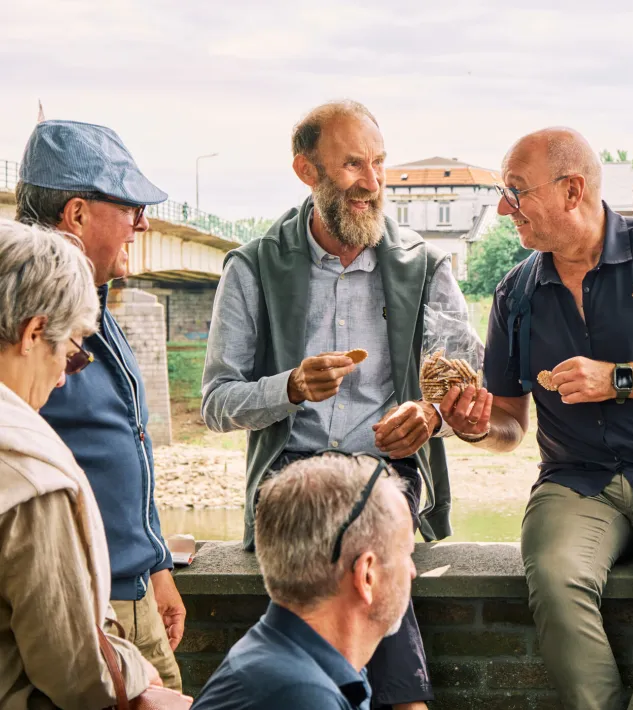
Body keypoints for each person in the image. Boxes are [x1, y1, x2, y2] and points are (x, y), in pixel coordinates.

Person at [439, 127, 633, 710]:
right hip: (575, 480)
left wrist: (618, 378)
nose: (504, 207)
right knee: (556, 577)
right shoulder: (516, 294)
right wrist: (477, 427)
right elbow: (510, 420)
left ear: (571, 190)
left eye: (515, 191)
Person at [201, 100, 475, 709]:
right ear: (307, 171)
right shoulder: (250, 267)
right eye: (353, 165)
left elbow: (464, 384)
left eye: (379, 163)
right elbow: (217, 404)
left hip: (388, 470)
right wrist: (289, 388)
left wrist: (429, 417)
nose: (373, 184)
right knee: (360, 540)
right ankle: (407, 704)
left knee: (362, 530)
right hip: (290, 471)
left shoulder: (427, 266)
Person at [15, 120, 186, 690]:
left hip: (130, 591)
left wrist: (155, 564)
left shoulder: (96, 307)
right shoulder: (25, 319)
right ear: (78, 214)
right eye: (130, 205)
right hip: (83, 608)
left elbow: (125, 442)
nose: (143, 222)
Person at [0, 219, 160, 708]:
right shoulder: (30, 477)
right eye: (72, 355)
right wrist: (141, 669)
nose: (64, 380)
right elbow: (76, 674)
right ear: (34, 333)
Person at [192, 453, 417, 710]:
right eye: (406, 553)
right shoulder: (301, 697)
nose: (412, 571)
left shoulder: (289, 663)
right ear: (366, 576)